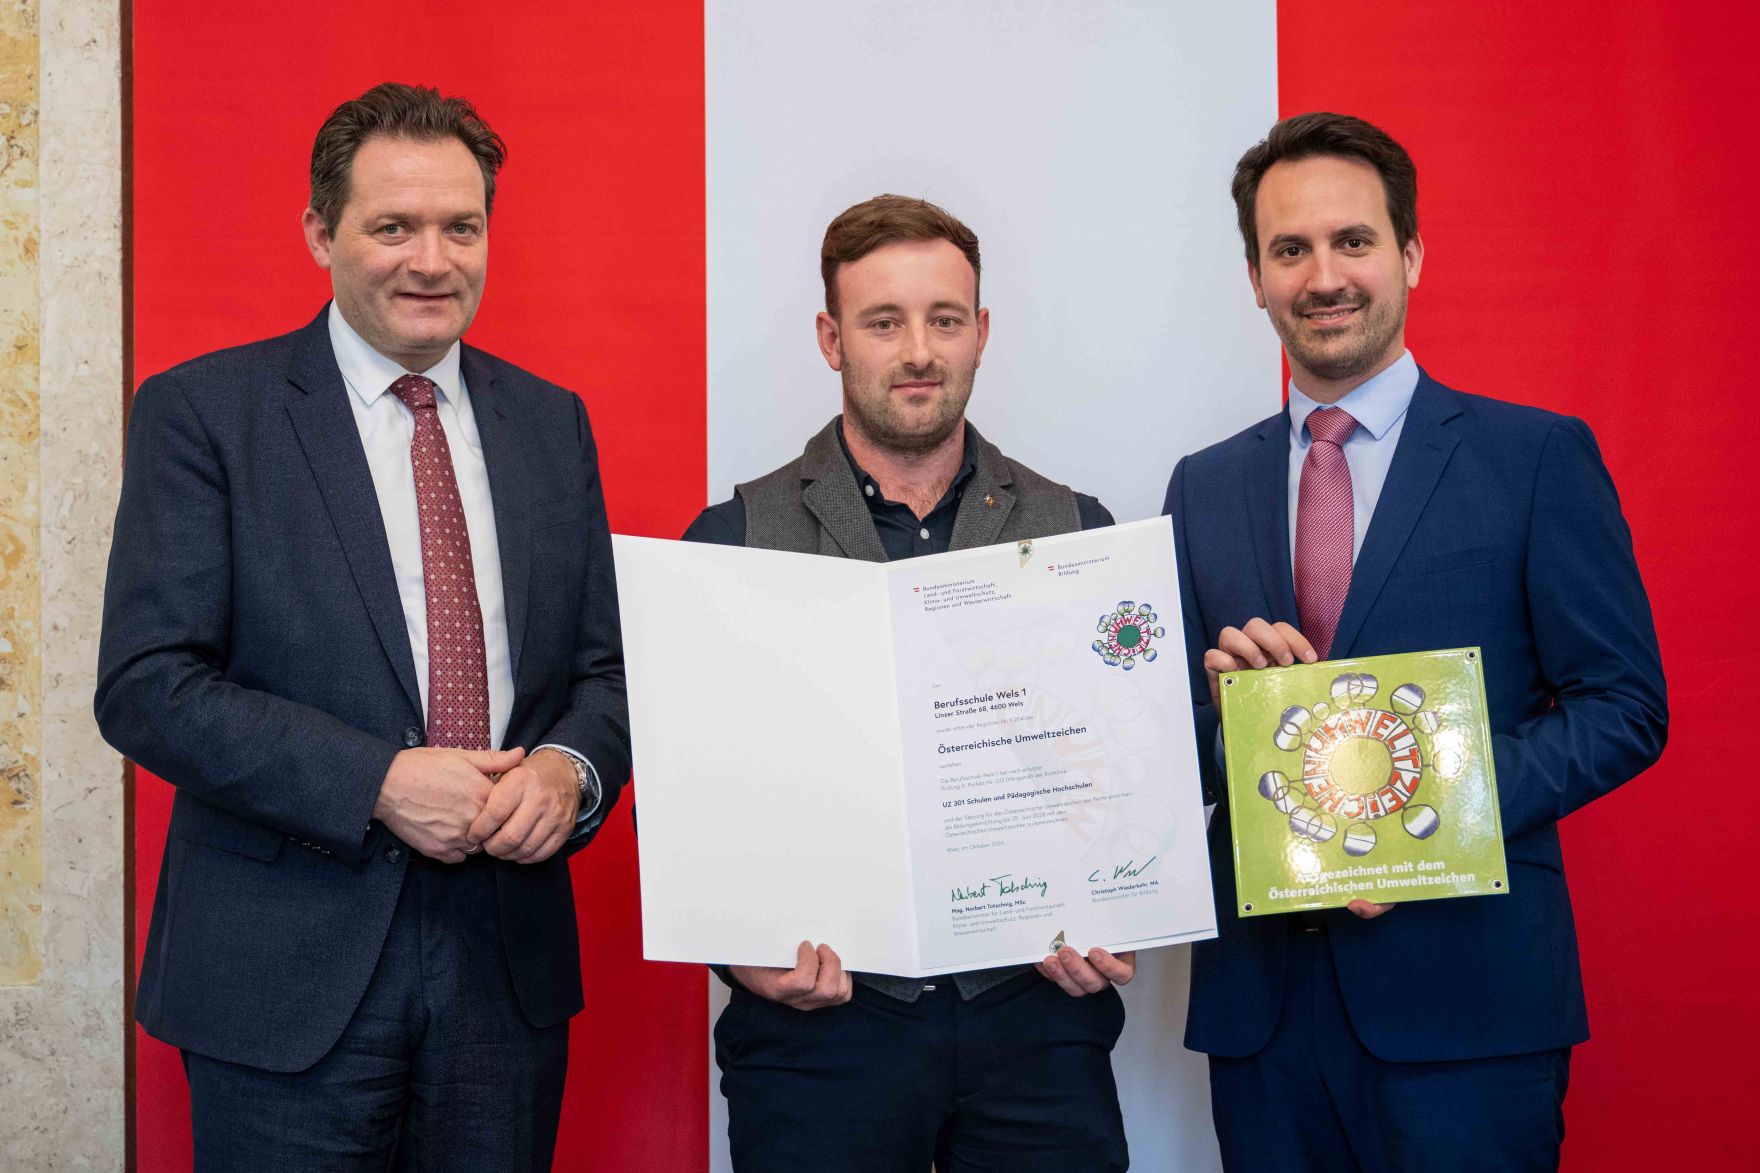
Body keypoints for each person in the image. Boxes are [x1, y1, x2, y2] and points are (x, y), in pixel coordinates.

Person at [95, 83, 629, 1171]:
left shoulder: (548, 421)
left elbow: (604, 673)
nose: (431, 259)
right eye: (392, 227)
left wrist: (571, 771)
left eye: (460, 227)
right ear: (319, 232)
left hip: (503, 969)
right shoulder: (205, 413)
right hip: (281, 978)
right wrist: (377, 780)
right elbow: (147, 683)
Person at [1164, 112, 1667, 1171]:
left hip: (1468, 1013)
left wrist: (1426, 821)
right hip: (1263, 1018)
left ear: (1410, 254)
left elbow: (1621, 706)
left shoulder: (1532, 458)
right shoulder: (1200, 488)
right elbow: (1172, 749)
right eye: (1288, 250)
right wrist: (1227, 718)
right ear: (1253, 277)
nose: (1322, 276)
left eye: (1352, 241)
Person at [685, 194, 1132, 1171]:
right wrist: (736, 946)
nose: (918, 349)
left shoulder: (1081, 534)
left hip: (1036, 1021)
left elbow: (1121, 769)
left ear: (981, 332)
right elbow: (684, 804)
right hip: (819, 1031)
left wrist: (1121, 899)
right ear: (829, 337)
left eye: (944, 319)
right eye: (883, 321)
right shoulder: (732, 540)